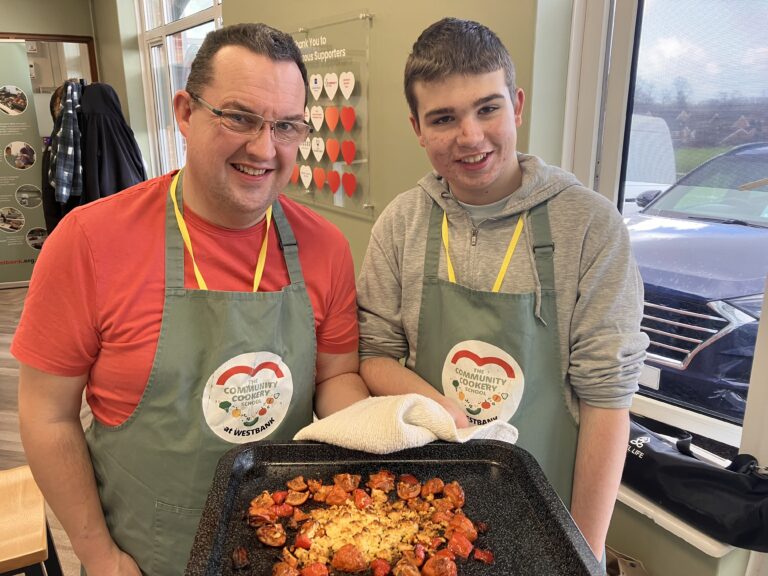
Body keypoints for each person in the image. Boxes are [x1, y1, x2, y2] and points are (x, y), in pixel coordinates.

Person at [13, 22, 369, 576]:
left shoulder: (327, 248)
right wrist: (98, 555)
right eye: (239, 117)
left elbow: (335, 377)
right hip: (146, 555)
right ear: (185, 112)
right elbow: (46, 414)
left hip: (292, 551)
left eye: (286, 126)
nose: (263, 147)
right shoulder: (89, 242)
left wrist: (392, 434)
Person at [356, 17, 649, 559]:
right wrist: (444, 409)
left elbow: (607, 402)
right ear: (417, 128)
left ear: (516, 105)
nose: (470, 136)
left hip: (545, 513)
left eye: (487, 108)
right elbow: (374, 355)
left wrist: (581, 553)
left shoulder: (589, 226)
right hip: (421, 512)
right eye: (443, 118)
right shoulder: (401, 223)